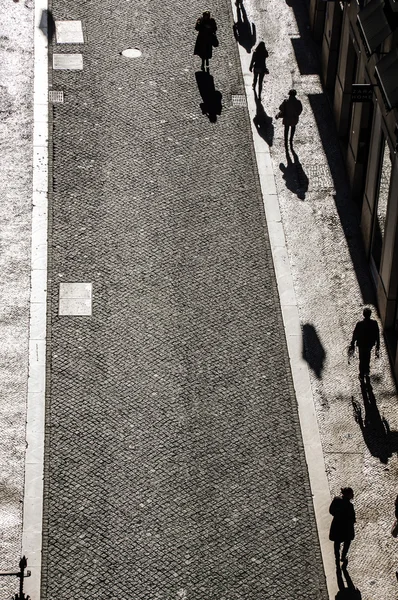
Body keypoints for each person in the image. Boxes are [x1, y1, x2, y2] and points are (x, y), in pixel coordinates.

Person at [349, 307, 380, 381]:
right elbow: (377, 334)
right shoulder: (374, 323)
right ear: (370, 314)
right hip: (369, 344)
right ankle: (366, 371)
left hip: (361, 345)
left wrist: (352, 343)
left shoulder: (359, 324)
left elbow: (355, 334)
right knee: (367, 357)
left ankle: (361, 374)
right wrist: (377, 345)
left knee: (361, 359)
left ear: (363, 314)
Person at [329, 487, 356, 566]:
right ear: (348, 495)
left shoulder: (336, 500)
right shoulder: (349, 506)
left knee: (336, 542)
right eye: (351, 494)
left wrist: (337, 515)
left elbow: (331, 510)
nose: (353, 495)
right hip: (346, 528)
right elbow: (352, 518)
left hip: (336, 525)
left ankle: (337, 557)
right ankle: (343, 557)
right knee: (347, 542)